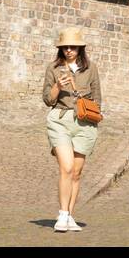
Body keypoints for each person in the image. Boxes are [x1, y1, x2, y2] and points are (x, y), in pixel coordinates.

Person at [42, 28, 102, 233]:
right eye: (65, 47)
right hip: (60, 119)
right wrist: (58, 86)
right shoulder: (53, 68)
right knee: (66, 168)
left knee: (76, 173)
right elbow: (47, 100)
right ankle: (62, 214)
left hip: (85, 122)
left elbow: (97, 97)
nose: (68, 50)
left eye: (73, 47)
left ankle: (69, 215)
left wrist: (94, 120)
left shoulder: (91, 68)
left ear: (80, 48)